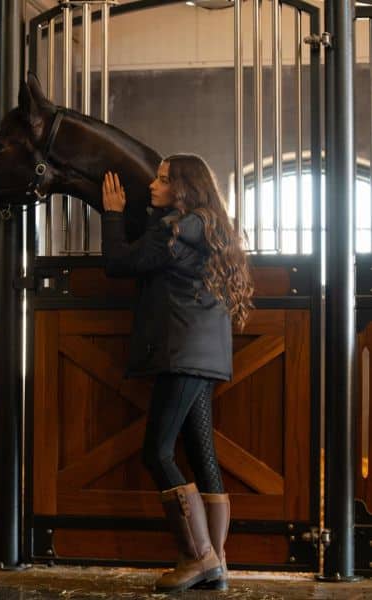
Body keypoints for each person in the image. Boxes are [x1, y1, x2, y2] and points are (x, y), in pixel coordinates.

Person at [101, 154, 253, 593]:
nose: (153, 185)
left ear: (184, 188)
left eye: (164, 179)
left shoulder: (174, 229)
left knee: (158, 452)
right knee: (201, 452)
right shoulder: (212, 227)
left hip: (181, 352)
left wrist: (113, 215)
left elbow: (119, 263)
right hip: (204, 355)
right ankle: (217, 562)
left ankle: (199, 555)